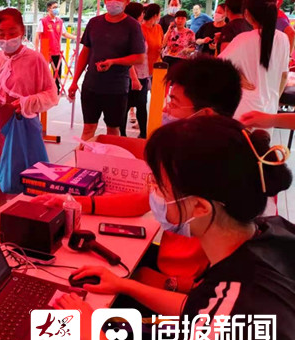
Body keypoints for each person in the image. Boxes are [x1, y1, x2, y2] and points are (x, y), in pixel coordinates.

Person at [57, 115, 295, 340]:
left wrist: (90, 332)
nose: (154, 195)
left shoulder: (229, 317)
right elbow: (199, 307)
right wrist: (124, 285)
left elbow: (215, 315)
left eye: (160, 188)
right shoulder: (271, 232)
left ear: (200, 207)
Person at [39, 57, 244, 294]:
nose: (165, 109)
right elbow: (144, 199)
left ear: (205, 114)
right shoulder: (194, 154)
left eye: (173, 102)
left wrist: (146, 282)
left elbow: (221, 290)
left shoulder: (223, 176)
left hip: (182, 291)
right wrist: (75, 203)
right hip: (165, 270)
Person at [0, 8, 58, 209]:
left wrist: (27, 103)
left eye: (12, 32)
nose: (7, 38)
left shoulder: (35, 59)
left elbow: (51, 94)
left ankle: (28, 218)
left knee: (28, 177)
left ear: (23, 31)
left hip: (24, 127)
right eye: (1, 33)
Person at [68, 0, 146, 139]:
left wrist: (113, 62)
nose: (113, 1)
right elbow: (85, 53)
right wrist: (74, 81)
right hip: (91, 85)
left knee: (113, 130)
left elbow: (139, 58)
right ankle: (84, 154)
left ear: (127, 1)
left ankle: (109, 156)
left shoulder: (132, 26)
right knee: (88, 128)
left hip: (116, 88)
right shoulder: (94, 23)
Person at [220, 0, 290, 121]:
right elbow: (284, 76)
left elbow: (218, 65)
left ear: (247, 13)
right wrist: (274, 100)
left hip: (244, 108)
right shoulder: (283, 39)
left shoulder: (243, 39)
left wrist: (237, 76)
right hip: (269, 110)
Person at [35, 0, 77, 93]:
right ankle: (43, 89)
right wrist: (36, 49)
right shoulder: (43, 21)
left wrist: (75, 37)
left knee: (57, 71)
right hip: (45, 48)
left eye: (57, 7)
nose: (56, 9)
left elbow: (64, 34)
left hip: (56, 49)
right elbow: (37, 35)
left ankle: (56, 89)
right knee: (44, 71)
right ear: (48, 9)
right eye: (54, 7)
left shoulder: (60, 21)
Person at [121, 2, 149, 139]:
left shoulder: (137, 29)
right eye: (142, 13)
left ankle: (143, 134)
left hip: (142, 74)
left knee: (141, 106)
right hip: (132, 75)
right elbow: (128, 56)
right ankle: (122, 135)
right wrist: (134, 78)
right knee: (126, 106)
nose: (144, 15)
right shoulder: (130, 30)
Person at [141, 3, 163, 76]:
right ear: (155, 15)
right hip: (143, 69)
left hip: (157, 66)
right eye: (160, 14)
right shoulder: (141, 28)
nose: (160, 16)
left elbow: (161, 44)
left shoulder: (158, 27)